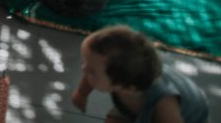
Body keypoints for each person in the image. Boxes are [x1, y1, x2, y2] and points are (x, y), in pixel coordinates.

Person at [72, 26, 208, 123]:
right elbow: (88, 78)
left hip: (188, 116)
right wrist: (81, 94)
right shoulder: (126, 79)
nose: (84, 70)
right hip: (134, 101)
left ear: (126, 88)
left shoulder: (164, 107)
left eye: (91, 71)